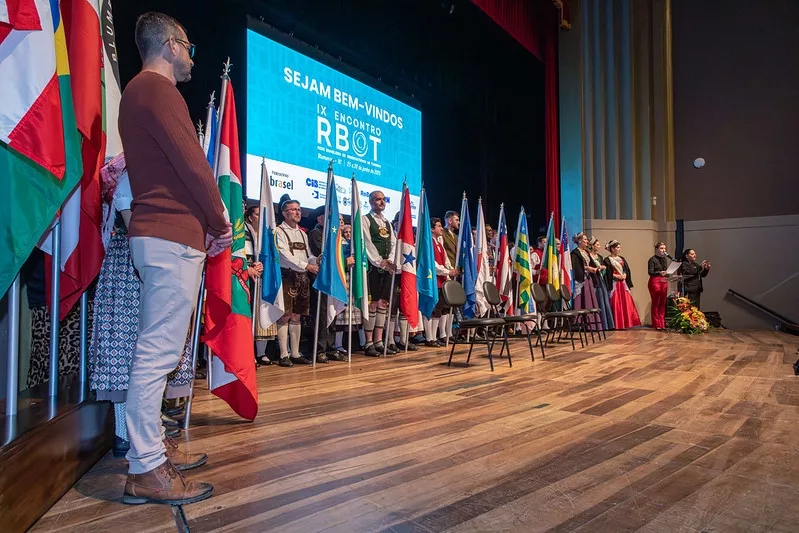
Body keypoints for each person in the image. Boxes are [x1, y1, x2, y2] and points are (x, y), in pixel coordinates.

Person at [118, 12, 231, 505]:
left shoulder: (140, 92)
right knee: (158, 352)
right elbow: (194, 165)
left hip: (164, 234)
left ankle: (152, 453)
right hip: (169, 236)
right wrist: (221, 223)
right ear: (169, 44)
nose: (192, 58)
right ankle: (145, 467)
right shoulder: (158, 90)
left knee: (159, 348)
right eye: (188, 47)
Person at [275, 199, 318, 366]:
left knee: (297, 315)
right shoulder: (278, 231)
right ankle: (283, 354)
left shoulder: (302, 233)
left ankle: (295, 353)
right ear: (284, 213)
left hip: (302, 277)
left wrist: (316, 260)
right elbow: (284, 255)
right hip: (287, 275)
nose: (297, 212)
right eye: (293, 209)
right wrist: (306, 265)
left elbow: (308, 255)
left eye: (299, 209)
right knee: (285, 314)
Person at [361, 191, 397, 356]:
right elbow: (367, 242)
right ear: (370, 202)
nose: (381, 202)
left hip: (387, 267)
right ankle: (368, 343)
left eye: (383, 199)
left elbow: (393, 243)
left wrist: (390, 260)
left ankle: (379, 341)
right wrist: (379, 261)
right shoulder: (365, 219)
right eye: (377, 199)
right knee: (373, 304)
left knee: (383, 303)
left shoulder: (387, 222)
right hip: (373, 268)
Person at [424, 217, 458, 346]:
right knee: (431, 309)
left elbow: (445, 260)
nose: (441, 228)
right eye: (438, 226)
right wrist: (446, 271)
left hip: (442, 280)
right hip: (433, 279)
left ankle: (435, 336)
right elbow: (432, 264)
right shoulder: (428, 243)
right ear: (432, 229)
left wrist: (451, 269)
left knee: (439, 309)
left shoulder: (439, 244)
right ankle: (429, 337)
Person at [603, 240, 641, 329]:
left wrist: (625, 275)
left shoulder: (622, 258)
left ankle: (626, 323)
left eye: (619, 247)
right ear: (612, 249)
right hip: (614, 283)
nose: (619, 249)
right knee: (616, 303)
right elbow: (606, 273)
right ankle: (617, 323)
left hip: (623, 283)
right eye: (617, 247)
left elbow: (626, 269)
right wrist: (615, 276)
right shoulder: (607, 260)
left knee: (626, 302)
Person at [570, 233, 600, 327]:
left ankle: (590, 323)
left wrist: (595, 268)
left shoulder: (586, 252)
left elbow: (592, 263)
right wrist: (587, 268)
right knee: (580, 299)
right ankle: (578, 323)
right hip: (580, 279)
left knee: (589, 299)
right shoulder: (575, 253)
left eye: (587, 240)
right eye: (585, 239)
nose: (587, 241)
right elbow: (575, 266)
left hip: (588, 278)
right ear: (579, 241)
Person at [589, 237, 615, 331]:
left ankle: (606, 324)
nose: (599, 246)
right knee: (598, 300)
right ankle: (598, 324)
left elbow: (603, 268)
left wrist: (603, 268)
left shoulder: (600, 257)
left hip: (600, 279)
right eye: (597, 245)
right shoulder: (589, 256)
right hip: (593, 279)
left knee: (605, 301)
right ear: (592, 246)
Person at [647, 242, 670, 329]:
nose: (663, 250)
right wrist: (659, 272)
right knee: (656, 302)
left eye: (664, 248)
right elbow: (650, 272)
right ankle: (656, 324)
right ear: (656, 249)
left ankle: (662, 323)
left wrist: (666, 273)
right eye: (661, 248)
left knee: (662, 303)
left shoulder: (664, 259)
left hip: (663, 281)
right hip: (655, 281)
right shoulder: (652, 259)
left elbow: (665, 271)